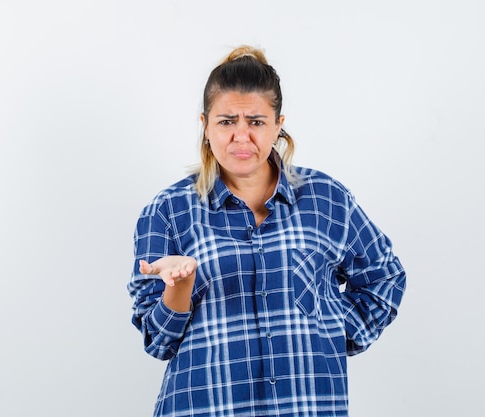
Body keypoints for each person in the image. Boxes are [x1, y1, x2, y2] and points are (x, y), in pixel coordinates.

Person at [127, 45, 406, 417]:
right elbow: (158, 341)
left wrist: (333, 328)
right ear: (206, 126)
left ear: (278, 125)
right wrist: (179, 287)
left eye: (256, 122)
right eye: (227, 121)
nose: (242, 136)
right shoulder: (168, 212)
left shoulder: (327, 200)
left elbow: (385, 278)